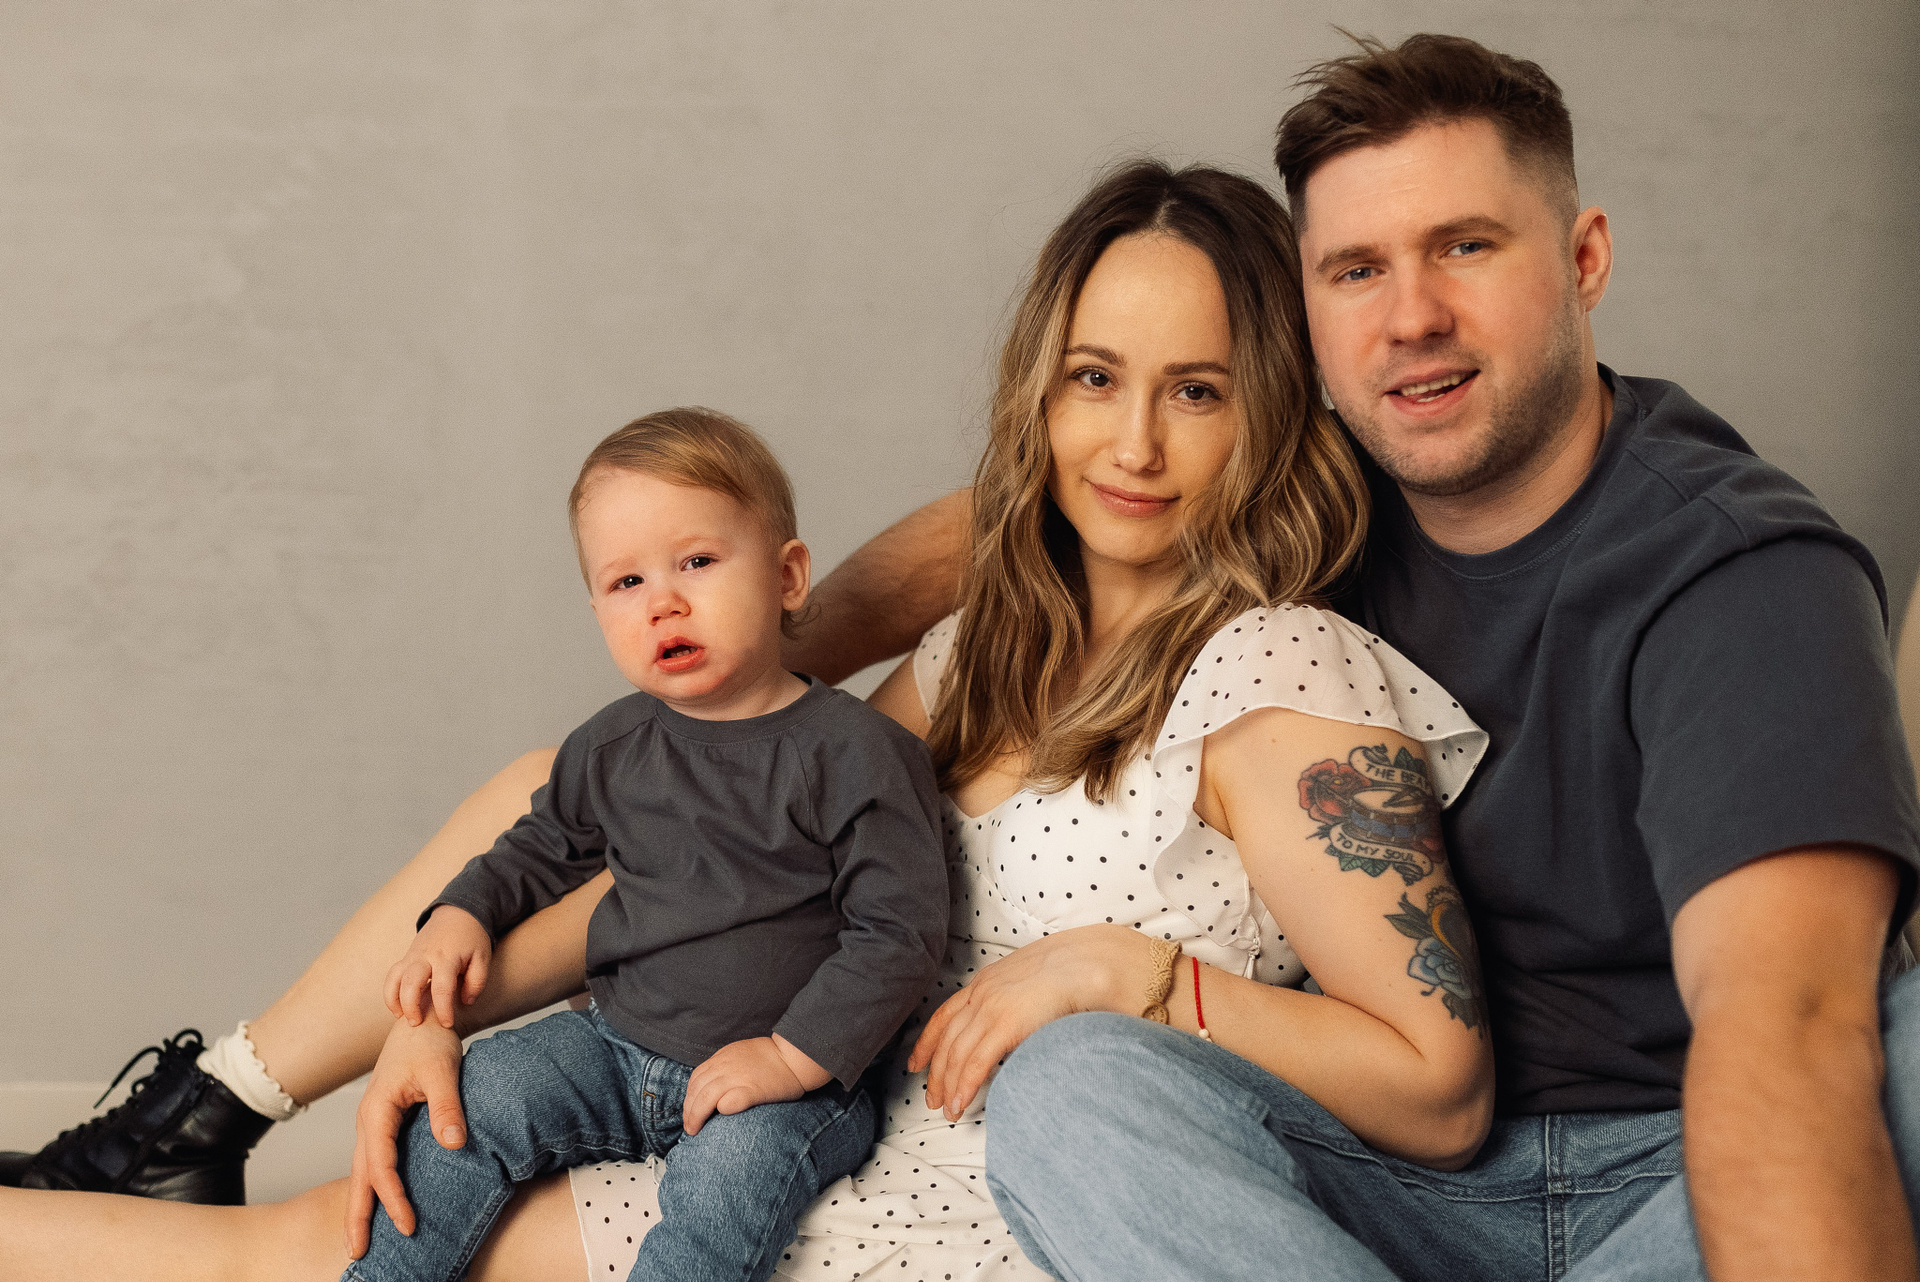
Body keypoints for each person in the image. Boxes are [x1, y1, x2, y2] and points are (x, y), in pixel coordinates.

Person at [0, 159, 1495, 1281]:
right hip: (818, 1087)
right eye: (1095, 379)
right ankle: (199, 1118)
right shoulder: (987, 641)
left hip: (983, 1181)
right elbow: (729, 836)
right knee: (366, 1196)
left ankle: (185, 1130)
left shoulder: (1279, 673)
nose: (1135, 444)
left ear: (1269, 412)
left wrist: (1135, 973)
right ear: (1042, 390)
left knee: (316, 1246)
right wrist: (431, 1015)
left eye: (1200, 393)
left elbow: (1438, 1090)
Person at [808, 33, 1920, 1282]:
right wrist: (784, 656)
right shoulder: (1330, 476)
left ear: (1584, 259)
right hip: (1380, 1185)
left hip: (1674, 1168)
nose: (1412, 318)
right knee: (1076, 1084)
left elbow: (1788, 1034)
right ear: (1308, 317)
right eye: (1356, 269)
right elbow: (1016, 518)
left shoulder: (1742, 577)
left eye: (1466, 247)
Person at [346, 407, 949, 1281]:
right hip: (615, 1044)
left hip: (786, 1082)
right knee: (470, 1105)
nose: (663, 600)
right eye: (626, 582)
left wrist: (789, 1059)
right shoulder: (614, 744)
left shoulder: (856, 753)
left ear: (787, 576)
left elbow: (898, 936)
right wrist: (462, 912)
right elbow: (542, 846)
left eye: (697, 562)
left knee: (724, 1191)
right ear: (597, 608)